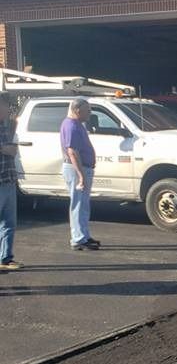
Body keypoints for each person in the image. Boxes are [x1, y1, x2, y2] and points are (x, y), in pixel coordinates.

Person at [60, 98, 100, 251]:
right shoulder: (71, 126)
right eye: (87, 110)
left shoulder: (77, 125)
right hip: (76, 169)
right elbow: (72, 152)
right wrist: (81, 176)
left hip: (82, 168)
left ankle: (84, 235)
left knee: (83, 205)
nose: (90, 113)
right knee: (77, 204)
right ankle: (78, 239)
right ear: (77, 110)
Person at [0, 92, 22, 271]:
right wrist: (3, 148)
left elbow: (13, 150)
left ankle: (5, 258)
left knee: (9, 222)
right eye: (6, 106)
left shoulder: (7, 126)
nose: (9, 109)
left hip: (8, 179)